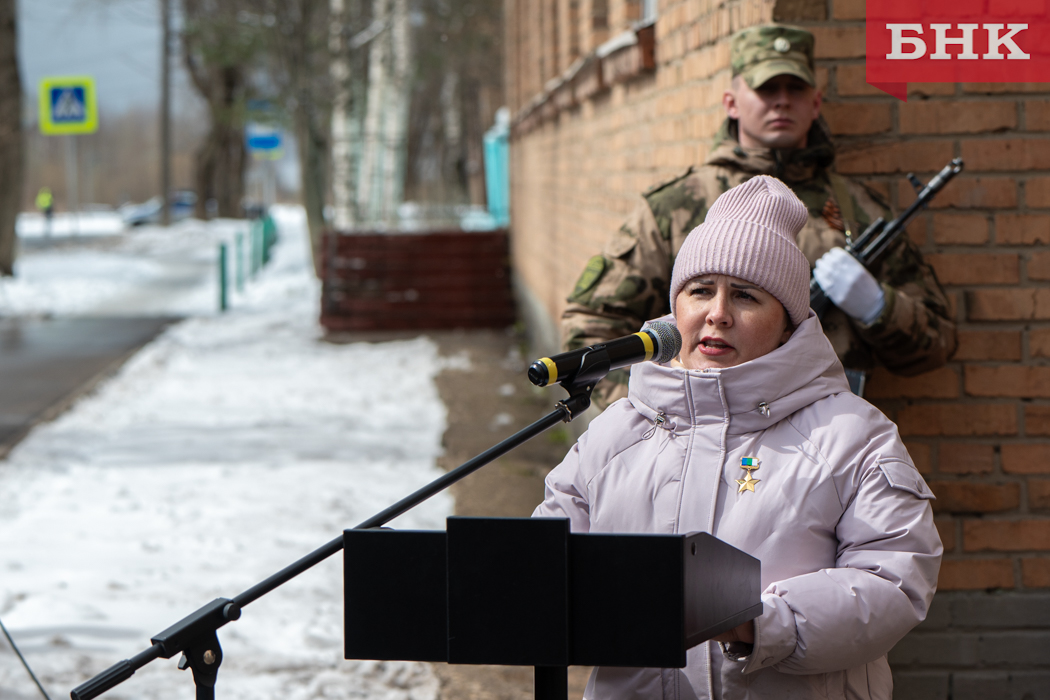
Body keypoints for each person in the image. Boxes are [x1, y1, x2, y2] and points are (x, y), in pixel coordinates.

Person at [534, 176, 941, 700]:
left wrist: (755, 622)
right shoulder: (615, 434)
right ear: (675, 307)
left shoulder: (854, 438)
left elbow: (894, 583)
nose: (717, 313)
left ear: (788, 324)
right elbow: (542, 570)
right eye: (700, 290)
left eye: (746, 296)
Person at [561, 24, 957, 407]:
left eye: (795, 88)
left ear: (815, 103)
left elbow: (936, 343)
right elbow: (590, 326)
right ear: (731, 102)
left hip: (820, 440)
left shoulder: (861, 210)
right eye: (766, 88)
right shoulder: (675, 207)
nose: (782, 100)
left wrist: (877, 307)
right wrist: (643, 413)